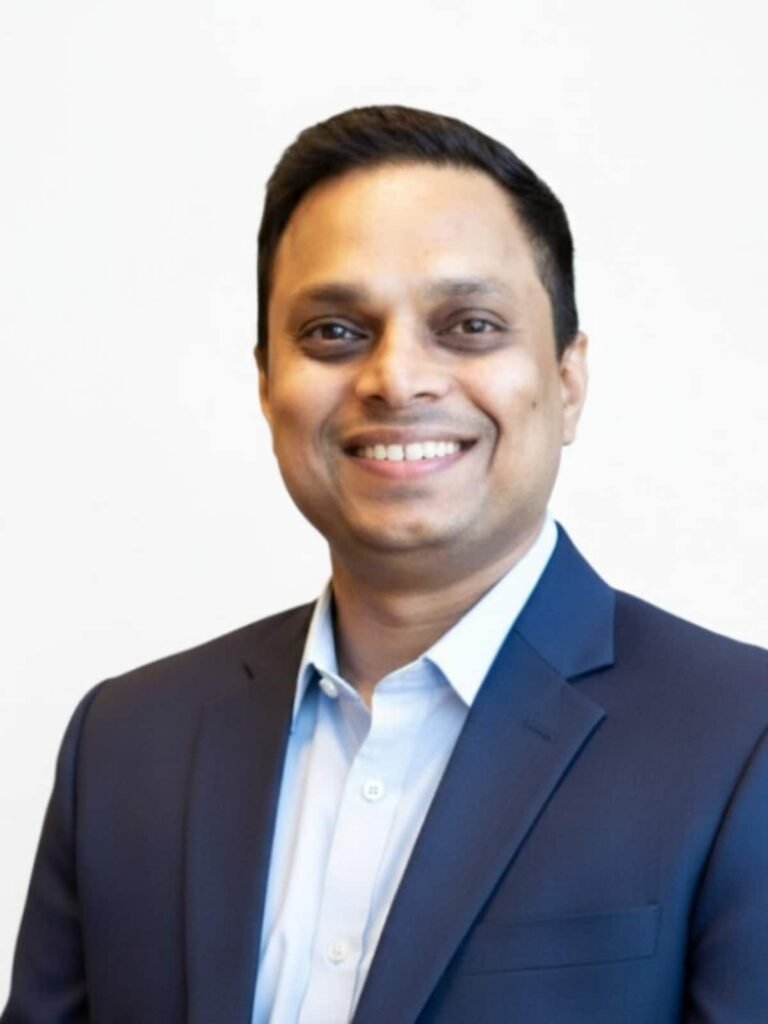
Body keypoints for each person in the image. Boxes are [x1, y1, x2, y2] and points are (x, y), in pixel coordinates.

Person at [3, 105, 768, 1024]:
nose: (397, 379)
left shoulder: (742, 740)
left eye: (470, 324)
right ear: (267, 384)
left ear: (567, 381)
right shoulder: (125, 743)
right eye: (334, 332)